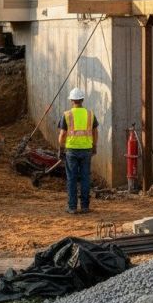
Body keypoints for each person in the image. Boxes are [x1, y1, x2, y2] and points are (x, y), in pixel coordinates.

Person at [58, 87, 98, 215]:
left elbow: (62, 134)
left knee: (72, 178)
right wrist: (94, 146)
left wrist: (61, 148)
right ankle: (85, 206)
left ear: (71, 100)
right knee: (85, 178)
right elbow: (95, 132)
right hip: (86, 150)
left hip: (71, 150)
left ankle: (72, 207)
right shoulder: (90, 114)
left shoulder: (67, 115)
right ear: (82, 100)